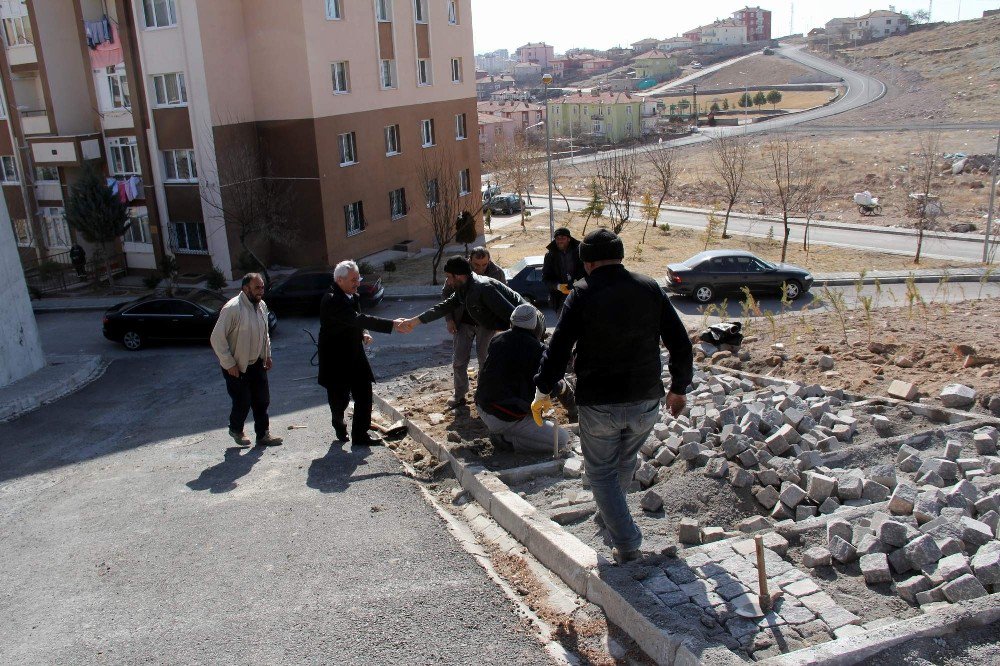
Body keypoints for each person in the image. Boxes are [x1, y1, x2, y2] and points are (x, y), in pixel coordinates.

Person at [533, 229, 693, 564]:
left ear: (586, 262)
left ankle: (627, 540)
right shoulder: (650, 288)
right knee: (623, 462)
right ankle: (610, 517)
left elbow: (558, 348)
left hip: (600, 403)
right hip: (646, 400)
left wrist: (543, 389)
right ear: (620, 256)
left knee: (601, 472)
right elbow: (680, 342)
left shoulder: (581, 293)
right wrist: (679, 388)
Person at [395, 256, 526, 407]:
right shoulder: (465, 287)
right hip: (466, 325)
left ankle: (486, 395)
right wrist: (414, 321)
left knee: (489, 361)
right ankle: (461, 395)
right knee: (459, 361)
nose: (448, 282)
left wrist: (510, 336)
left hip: (508, 325)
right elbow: (445, 306)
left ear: (458, 275)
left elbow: (513, 314)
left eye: (449, 277)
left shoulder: (483, 287)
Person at [475, 304, 574, 454]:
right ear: (536, 327)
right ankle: (508, 441)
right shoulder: (538, 350)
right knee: (562, 440)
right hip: (506, 418)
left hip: (483, 407)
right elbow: (551, 387)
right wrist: (564, 389)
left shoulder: (497, 340)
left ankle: (508, 431)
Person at [318, 260, 396, 446]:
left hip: (355, 353)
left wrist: (364, 332)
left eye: (358, 278)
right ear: (339, 280)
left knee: (364, 393)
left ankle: (360, 435)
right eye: (353, 280)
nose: (357, 283)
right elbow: (355, 318)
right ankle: (338, 421)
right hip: (335, 357)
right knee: (340, 399)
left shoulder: (352, 295)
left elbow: (358, 320)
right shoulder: (332, 299)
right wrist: (392, 325)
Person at [210, 273, 283, 447]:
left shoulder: (261, 306)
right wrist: (229, 364)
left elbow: (264, 334)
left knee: (262, 400)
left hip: (257, 362)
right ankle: (236, 429)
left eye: (262, 287)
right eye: (257, 288)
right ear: (245, 288)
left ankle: (263, 435)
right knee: (243, 402)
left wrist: (267, 355)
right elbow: (216, 339)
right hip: (236, 366)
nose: (261, 291)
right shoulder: (232, 308)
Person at [442, 247, 506, 408]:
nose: (481, 269)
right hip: (463, 322)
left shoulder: (497, 273)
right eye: (477, 265)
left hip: (486, 324)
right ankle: (459, 394)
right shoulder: (459, 270)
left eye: (485, 264)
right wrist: (449, 320)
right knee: (459, 360)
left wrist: (501, 323)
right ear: (470, 261)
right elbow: (445, 294)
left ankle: (483, 394)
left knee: (485, 360)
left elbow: (503, 298)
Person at [541, 227, 586, 312]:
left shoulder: (579, 252)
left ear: (569, 239)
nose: (560, 241)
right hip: (559, 298)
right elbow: (545, 278)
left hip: (579, 293)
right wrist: (558, 286)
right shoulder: (550, 256)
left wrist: (578, 283)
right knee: (563, 323)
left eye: (563, 238)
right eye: (557, 238)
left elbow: (587, 271)